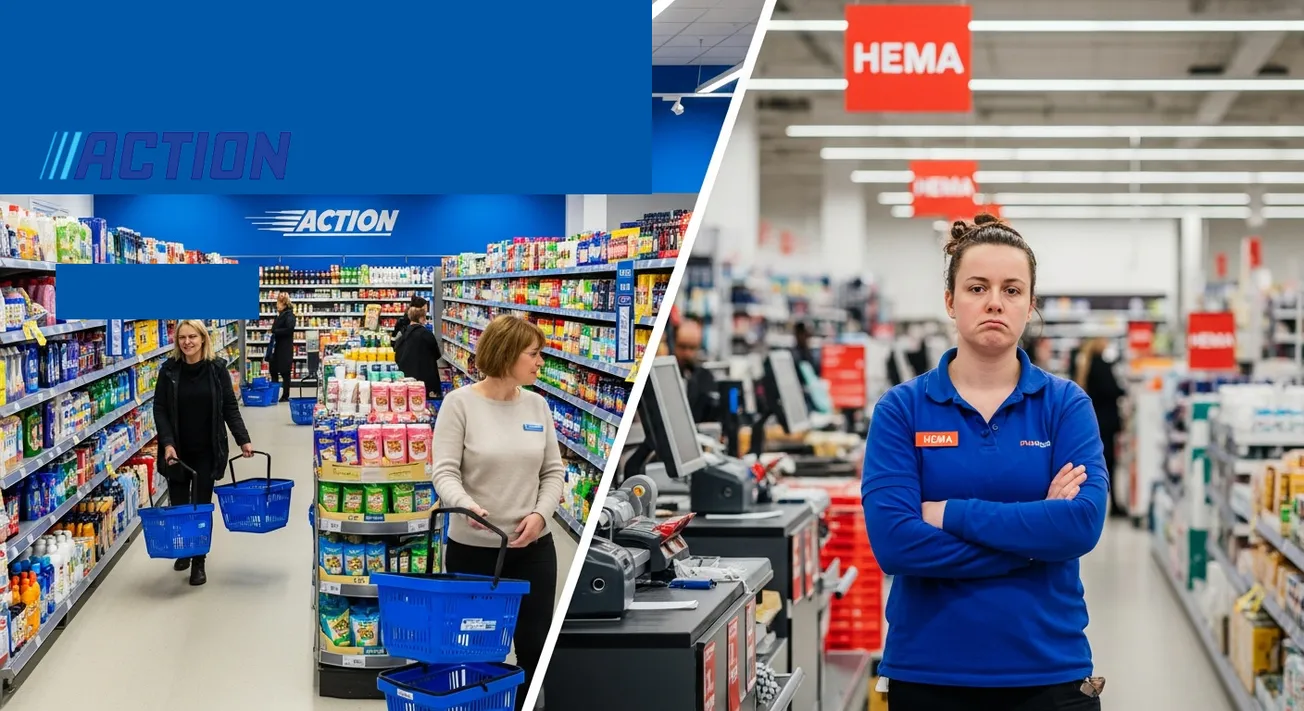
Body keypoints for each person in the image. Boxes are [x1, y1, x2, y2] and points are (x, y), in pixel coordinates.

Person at [862, 214, 1107, 711]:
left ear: (1030, 305)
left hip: (1050, 673)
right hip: (928, 674)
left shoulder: (1066, 405)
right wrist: (1037, 540)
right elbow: (895, 545)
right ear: (951, 301)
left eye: (1012, 289)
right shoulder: (902, 409)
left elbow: (1080, 525)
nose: (995, 301)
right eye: (977, 287)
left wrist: (948, 513)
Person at [431, 314, 562, 711]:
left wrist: (541, 514)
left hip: (534, 550)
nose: (541, 363)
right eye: (534, 355)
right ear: (507, 354)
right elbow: (444, 471)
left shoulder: (537, 406)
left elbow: (553, 472)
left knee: (536, 649)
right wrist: (466, 505)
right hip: (474, 548)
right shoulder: (460, 404)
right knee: (472, 651)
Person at [153, 320, 255, 586]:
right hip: (176, 450)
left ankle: (199, 560)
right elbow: (160, 409)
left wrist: (243, 439)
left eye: (192, 337)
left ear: (203, 339)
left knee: (200, 506)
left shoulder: (217, 369)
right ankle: (185, 549)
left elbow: (230, 407)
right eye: (182, 337)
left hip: (207, 449)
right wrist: (167, 443)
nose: (187, 342)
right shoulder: (168, 371)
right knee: (179, 504)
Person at [1075, 337, 1128, 518]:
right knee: (1110, 463)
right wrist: (1123, 390)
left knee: (1096, 463)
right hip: (1107, 421)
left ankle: (1093, 502)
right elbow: (1113, 390)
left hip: (1094, 420)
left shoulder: (1086, 365)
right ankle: (1113, 504)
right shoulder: (1102, 366)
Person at [393, 305, 443, 398]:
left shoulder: (402, 335)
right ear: (420, 319)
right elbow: (437, 354)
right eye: (424, 318)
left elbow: (396, 354)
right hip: (426, 380)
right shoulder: (427, 334)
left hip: (406, 378)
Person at [675, 317, 718, 422]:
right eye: (682, 347)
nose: (687, 353)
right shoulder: (664, 377)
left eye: (692, 348)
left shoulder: (705, 378)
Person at [269, 293, 296, 402]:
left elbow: (290, 329)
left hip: (285, 348)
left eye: (278, 303)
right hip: (277, 348)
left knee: (285, 373)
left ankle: (285, 396)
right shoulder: (280, 315)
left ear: (283, 304)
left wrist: (276, 331)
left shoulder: (290, 315)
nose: (277, 306)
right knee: (273, 370)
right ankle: (274, 394)